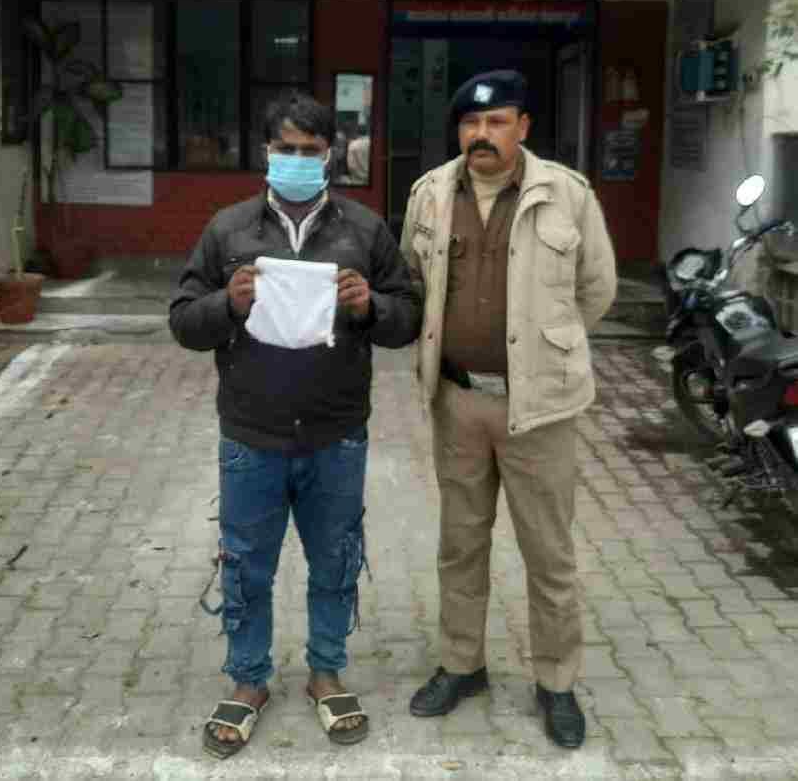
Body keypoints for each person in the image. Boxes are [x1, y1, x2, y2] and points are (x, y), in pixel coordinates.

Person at [170, 91, 422, 759]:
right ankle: (248, 679)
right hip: (250, 435)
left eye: (312, 150)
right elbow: (183, 321)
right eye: (287, 149)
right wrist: (228, 303)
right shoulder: (229, 230)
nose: (299, 160)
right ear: (267, 152)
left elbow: (409, 318)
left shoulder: (365, 231)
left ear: (330, 154)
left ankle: (326, 672)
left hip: (336, 434)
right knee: (245, 564)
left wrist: (372, 308)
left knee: (335, 560)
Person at [400, 69, 616, 749]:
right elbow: (413, 278)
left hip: (541, 409)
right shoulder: (430, 193)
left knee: (548, 552)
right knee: (460, 544)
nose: (482, 134)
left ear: (523, 127)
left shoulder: (567, 195)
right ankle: (462, 665)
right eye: (471, 123)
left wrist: (543, 353)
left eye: (497, 122)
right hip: (458, 401)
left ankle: (556, 681)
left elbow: (596, 290)